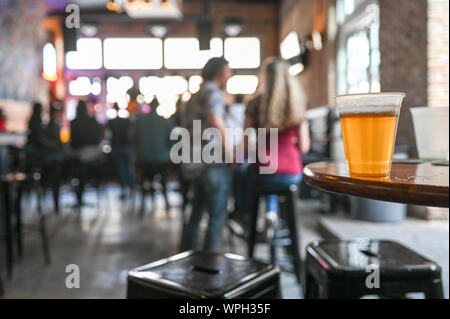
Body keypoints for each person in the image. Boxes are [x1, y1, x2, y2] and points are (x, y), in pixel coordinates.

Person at [244, 58, 310, 240]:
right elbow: (304, 147)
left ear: (266, 78)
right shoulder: (297, 106)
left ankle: (260, 216)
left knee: (254, 175)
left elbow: (245, 143)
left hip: (264, 168)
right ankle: (281, 221)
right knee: (279, 182)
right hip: (291, 171)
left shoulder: (254, 105)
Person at [180, 57, 234, 253]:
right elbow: (216, 121)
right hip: (213, 162)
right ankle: (212, 265)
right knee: (216, 217)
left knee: (195, 214)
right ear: (219, 72)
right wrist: (230, 154)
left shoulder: (193, 95)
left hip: (195, 161)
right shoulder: (212, 91)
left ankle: (187, 256)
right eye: (228, 71)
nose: (230, 74)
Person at [134, 96, 173, 212]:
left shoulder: (140, 121)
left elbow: (134, 140)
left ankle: (142, 205)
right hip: (161, 161)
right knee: (164, 175)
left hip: (144, 161)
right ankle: (166, 201)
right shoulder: (165, 122)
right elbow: (172, 141)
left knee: (145, 177)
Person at [70, 100, 103, 207]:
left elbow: (73, 142)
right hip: (91, 153)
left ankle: (79, 193)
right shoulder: (92, 120)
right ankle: (80, 191)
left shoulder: (74, 122)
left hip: (81, 154)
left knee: (79, 162)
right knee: (80, 162)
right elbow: (99, 137)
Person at [107, 103, 134, 199]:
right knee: (128, 169)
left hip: (117, 147)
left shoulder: (111, 122)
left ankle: (124, 189)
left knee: (121, 169)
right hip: (126, 146)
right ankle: (131, 188)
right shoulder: (126, 121)